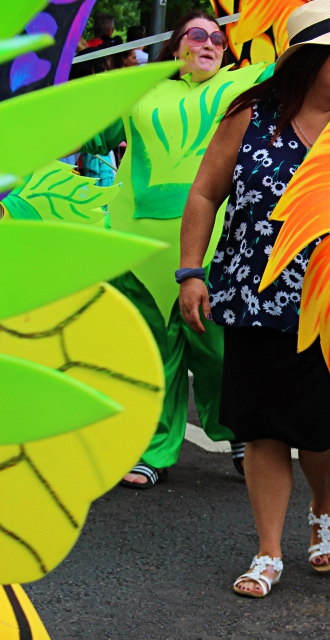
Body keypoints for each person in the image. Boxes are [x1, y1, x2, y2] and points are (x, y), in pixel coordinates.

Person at [178, 0, 330, 597]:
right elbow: (203, 195)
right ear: (308, 59)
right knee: (263, 427)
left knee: (326, 431)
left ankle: (325, 503)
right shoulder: (250, 116)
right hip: (250, 298)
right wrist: (192, 272)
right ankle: (269, 551)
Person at [80, 11, 266, 488]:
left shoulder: (243, 85)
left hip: (210, 239)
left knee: (217, 349)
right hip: (141, 245)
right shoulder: (140, 91)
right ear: (176, 46)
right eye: (198, 35)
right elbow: (89, 133)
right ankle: (154, 448)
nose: (209, 44)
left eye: (219, 39)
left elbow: (298, 65)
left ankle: (236, 431)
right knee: (153, 350)